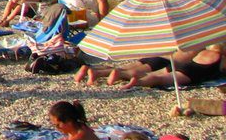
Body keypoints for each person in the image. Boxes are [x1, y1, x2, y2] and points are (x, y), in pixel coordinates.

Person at [76, 46, 226, 89]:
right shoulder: (218, 48)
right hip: (204, 63)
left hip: (170, 55)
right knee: (159, 77)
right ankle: (134, 81)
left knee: (131, 67)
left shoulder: (203, 32)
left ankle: (99, 71)